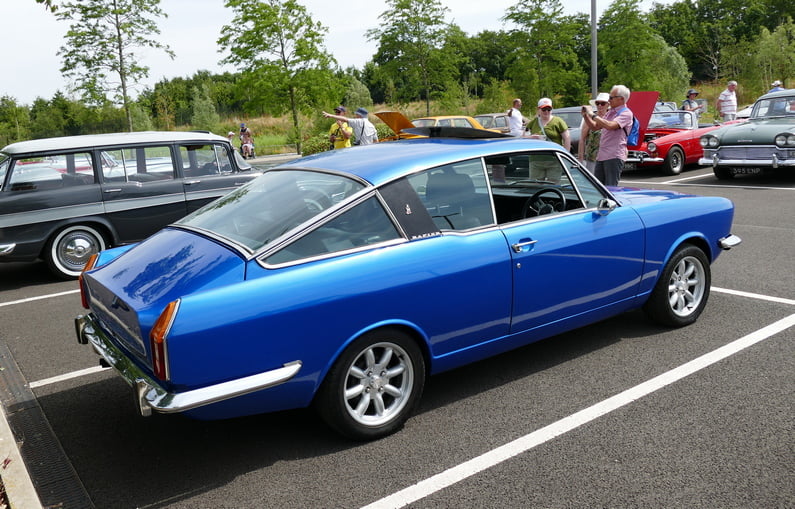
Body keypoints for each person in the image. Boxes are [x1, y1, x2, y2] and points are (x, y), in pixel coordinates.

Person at [580, 85, 634, 186]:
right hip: (602, 156)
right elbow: (595, 127)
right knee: (599, 188)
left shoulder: (626, 113)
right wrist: (586, 116)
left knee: (611, 188)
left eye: (611, 98)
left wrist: (592, 114)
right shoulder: (610, 112)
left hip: (614, 155)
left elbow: (610, 125)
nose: (609, 100)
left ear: (621, 99)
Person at [578, 92, 610, 173]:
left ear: (608, 105)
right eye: (597, 103)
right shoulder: (590, 118)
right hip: (592, 157)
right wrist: (580, 158)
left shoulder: (612, 118)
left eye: (602, 103)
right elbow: (582, 139)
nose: (599, 105)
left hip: (608, 157)